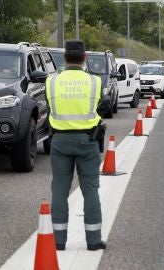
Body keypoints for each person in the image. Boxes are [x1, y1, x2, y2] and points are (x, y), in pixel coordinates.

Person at [45, 40, 107, 251]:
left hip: (60, 141)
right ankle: (93, 240)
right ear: (84, 58)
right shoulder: (95, 82)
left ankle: (58, 241)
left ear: (64, 57)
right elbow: (99, 104)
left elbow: (49, 105)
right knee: (90, 190)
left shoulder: (51, 81)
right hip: (88, 141)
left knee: (60, 190)